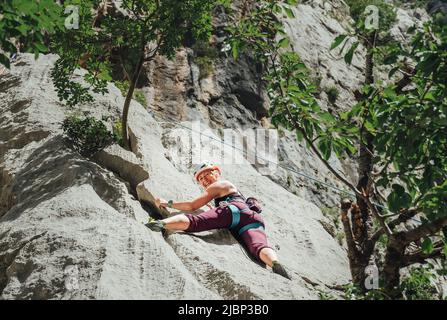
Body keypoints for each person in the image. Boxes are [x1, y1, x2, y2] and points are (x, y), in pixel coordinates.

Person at [147, 163, 291, 280]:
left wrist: (168, 203)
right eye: (201, 179)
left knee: (196, 222)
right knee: (257, 246)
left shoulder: (221, 185)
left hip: (232, 211)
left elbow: (192, 206)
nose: (205, 180)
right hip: (252, 219)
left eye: (207, 174)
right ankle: (274, 263)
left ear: (217, 173)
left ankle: (161, 224)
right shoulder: (231, 190)